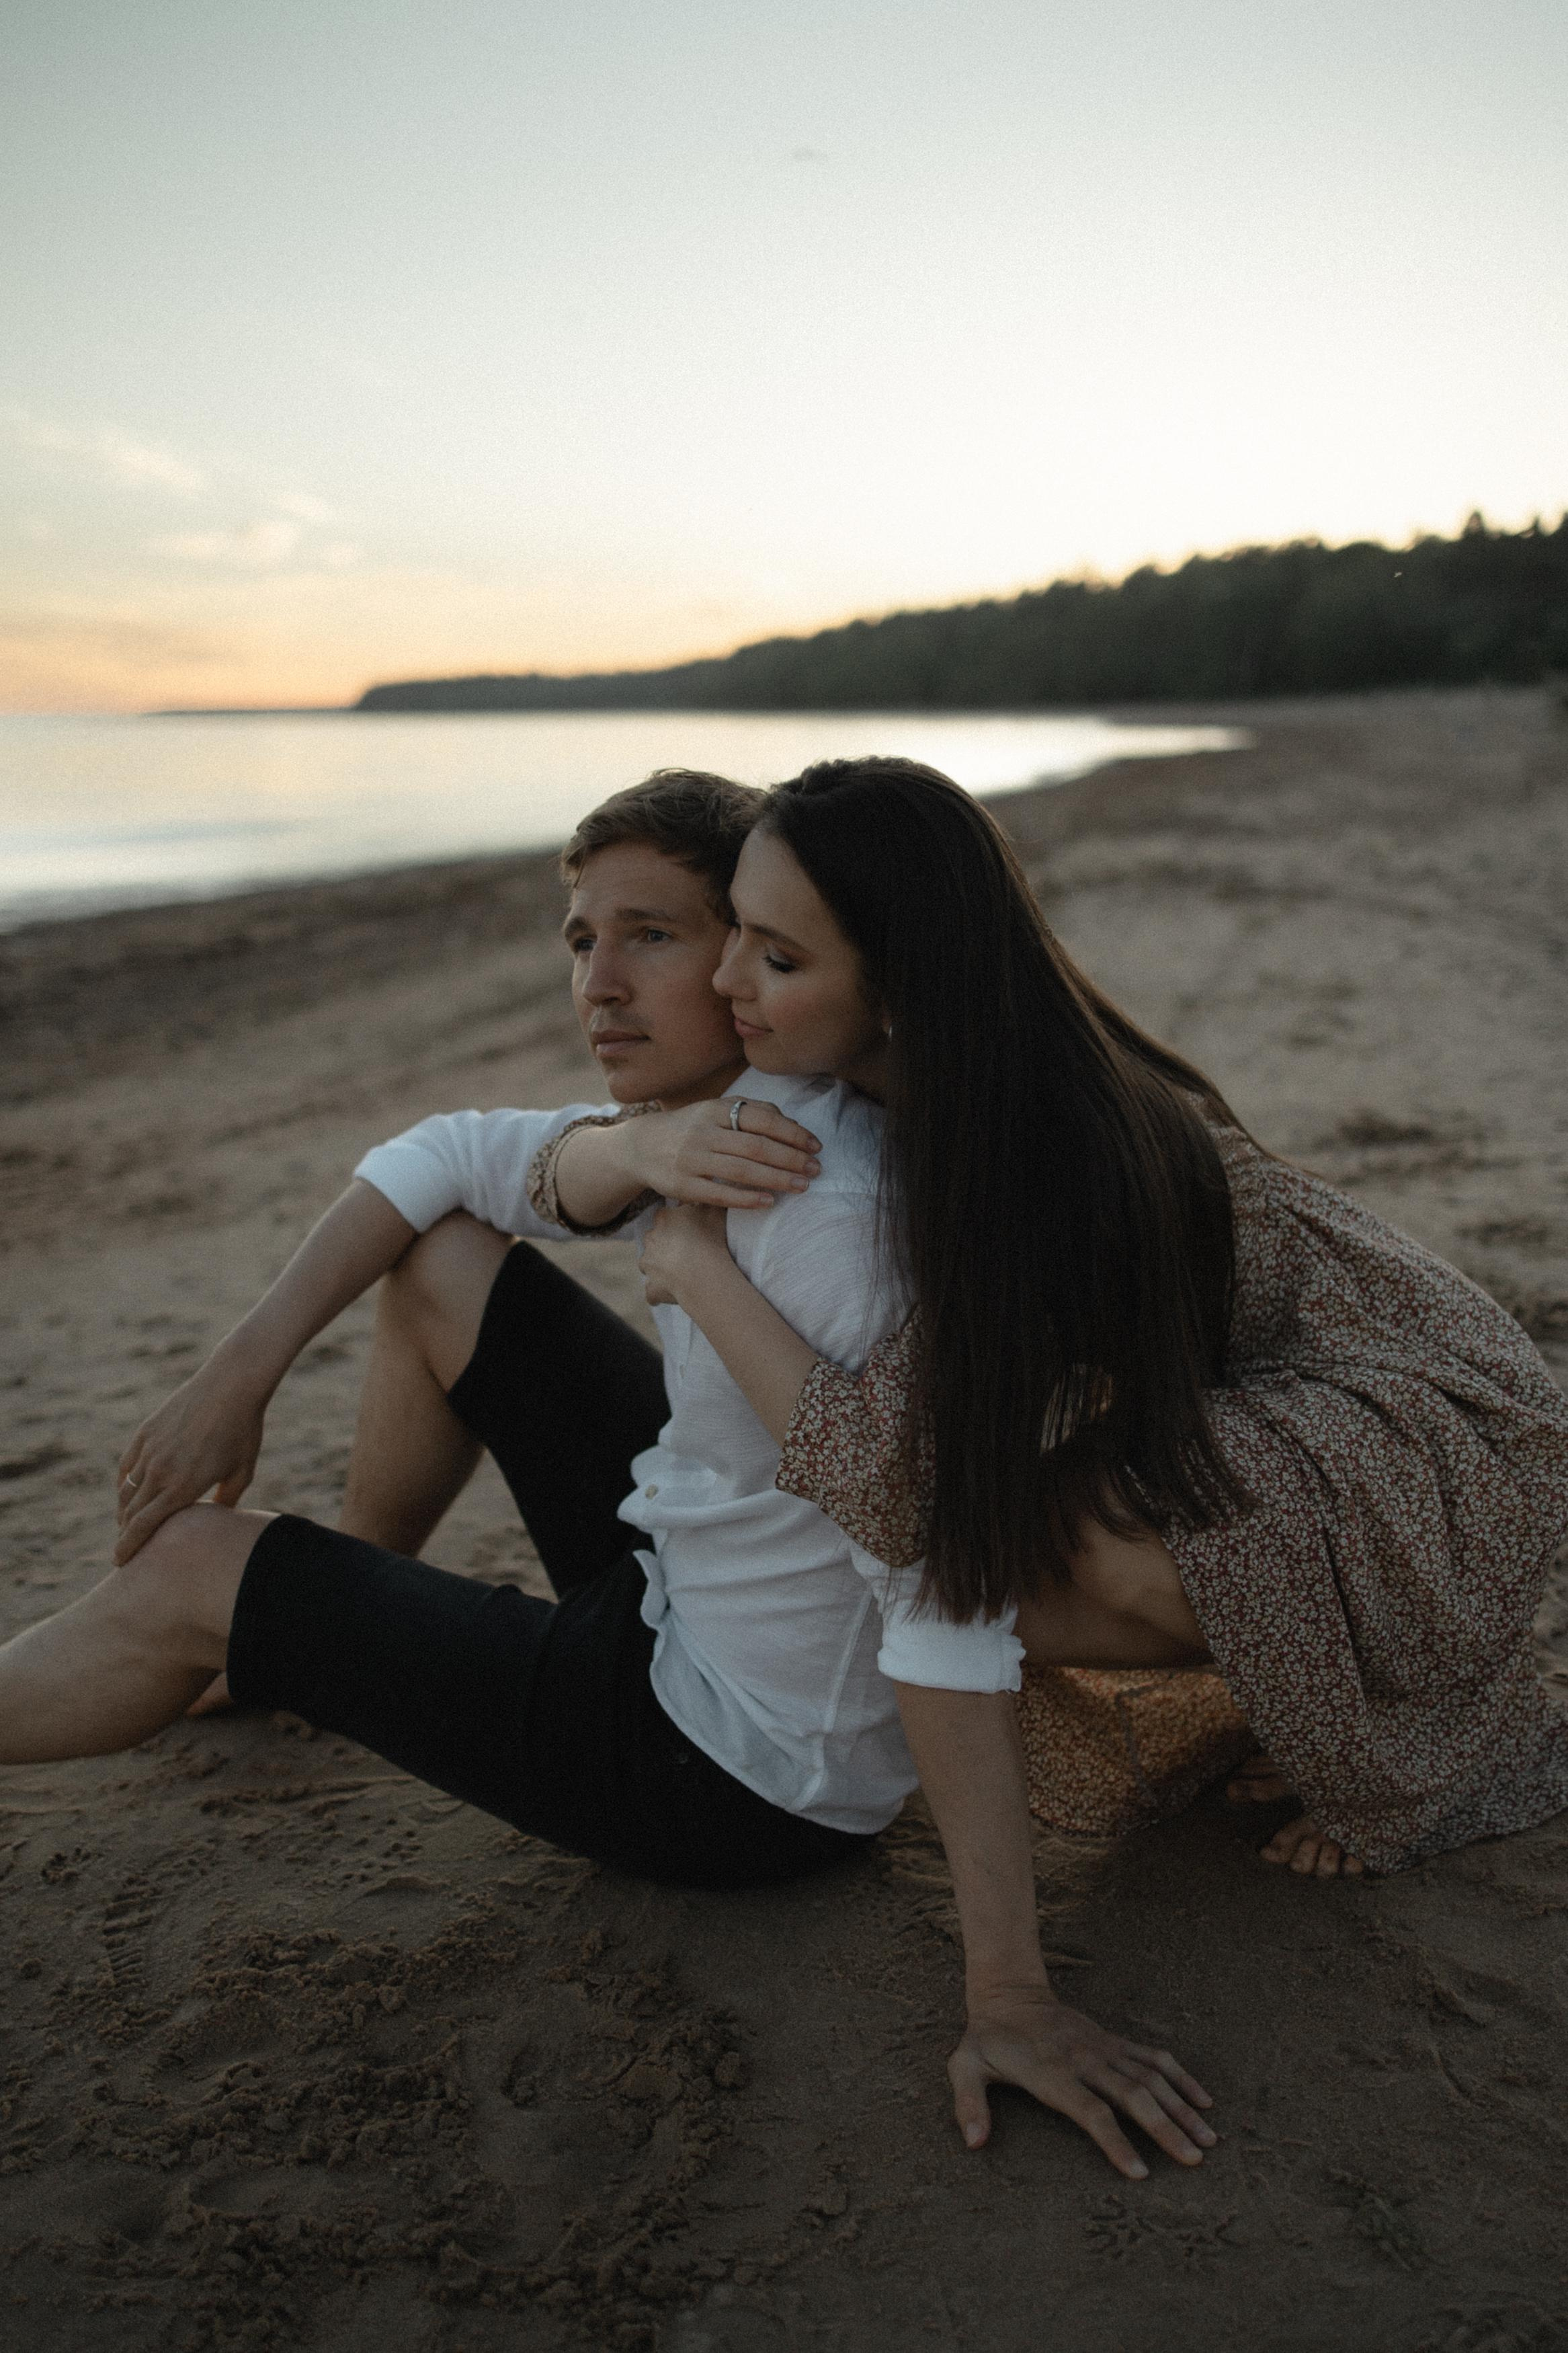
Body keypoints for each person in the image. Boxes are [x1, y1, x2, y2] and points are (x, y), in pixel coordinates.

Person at [0, 762, 1221, 2184]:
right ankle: (304, 1645)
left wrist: (1008, 1994)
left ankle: (254, 1622)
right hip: (677, 1585)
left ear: (768, 953)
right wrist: (240, 1370)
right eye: (582, 937)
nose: (600, 983)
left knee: (196, 1566)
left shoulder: (819, 1215)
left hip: (728, 1767)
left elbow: (935, 1578)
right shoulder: (763, 1114)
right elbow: (449, 1154)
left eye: (656, 936)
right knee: (450, 1255)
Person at [636, 753, 1568, 2130]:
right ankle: (1305, 1685)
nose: (724, 983)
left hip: (1429, 1433)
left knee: (1029, 1551)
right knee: (1009, 1531)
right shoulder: (935, 1082)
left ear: (897, 987)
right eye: (732, 932)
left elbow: (903, 1502)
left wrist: (694, 1263)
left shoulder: (1028, 1158)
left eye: (775, 957)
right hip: (1276, 1405)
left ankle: (1429, 1727)